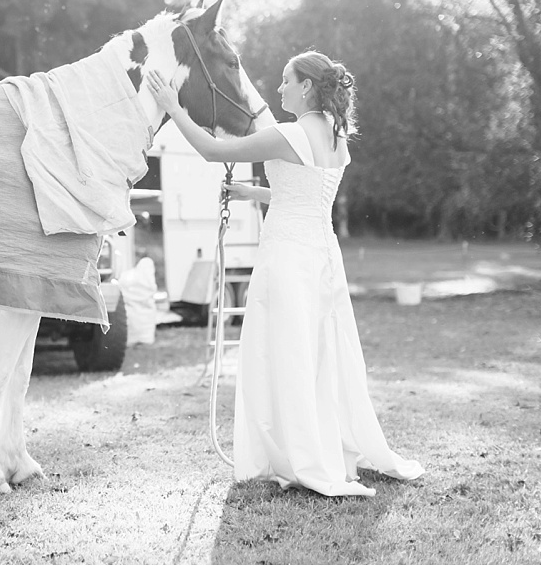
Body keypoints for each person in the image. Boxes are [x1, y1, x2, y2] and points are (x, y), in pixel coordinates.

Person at [145, 52, 423, 497]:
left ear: (306, 87)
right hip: (322, 256)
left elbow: (213, 152)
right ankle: (322, 445)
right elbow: (303, 195)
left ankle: (299, 454)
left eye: (285, 80)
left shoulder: (289, 134)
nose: (279, 89)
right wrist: (250, 191)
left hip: (288, 257)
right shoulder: (336, 136)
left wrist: (173, 107)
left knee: (286, 350)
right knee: (319, 351)